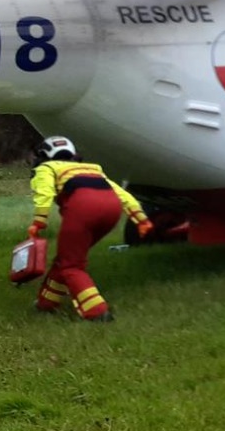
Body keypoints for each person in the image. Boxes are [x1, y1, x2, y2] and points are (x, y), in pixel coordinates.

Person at [28, 135, 152, 322]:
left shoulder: (46, 168)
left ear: (44, 155)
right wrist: (141, 219)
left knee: (72, 265)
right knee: (66, 256)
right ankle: (47, 303)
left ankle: (97, 311)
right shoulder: (93, 169)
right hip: (111, 212)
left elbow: (44, 193)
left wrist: (39, 221)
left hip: (82, 209)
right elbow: (122, 194)